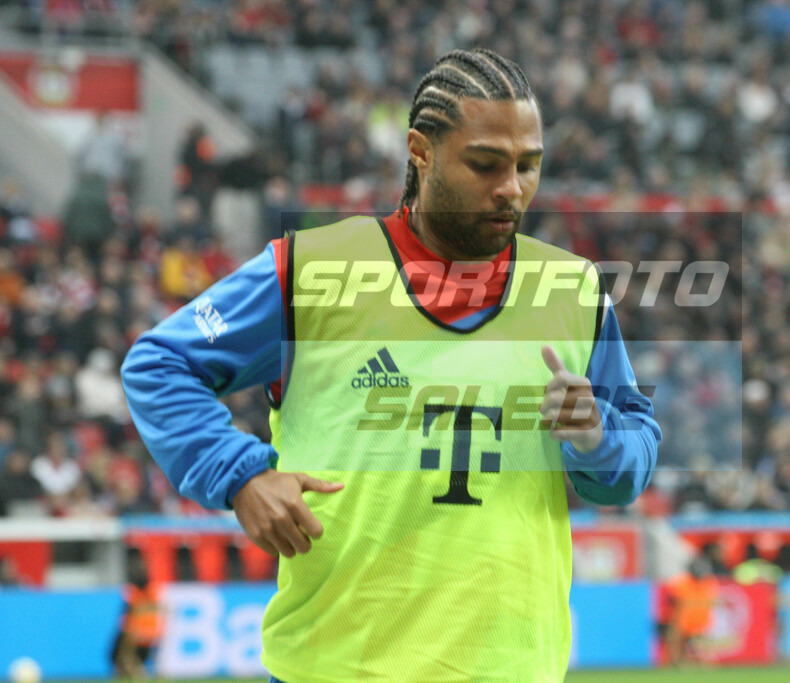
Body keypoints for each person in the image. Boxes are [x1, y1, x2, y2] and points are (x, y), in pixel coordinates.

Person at [122, 48, 661, 682]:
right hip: (335, 668)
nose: (511, 188)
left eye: (528, 166)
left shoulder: (574, 291)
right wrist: (238, 476)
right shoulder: (312, 272)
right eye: (486, 163)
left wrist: (599, 439)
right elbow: (158, 363)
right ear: (420, 150)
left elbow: (634, 453)